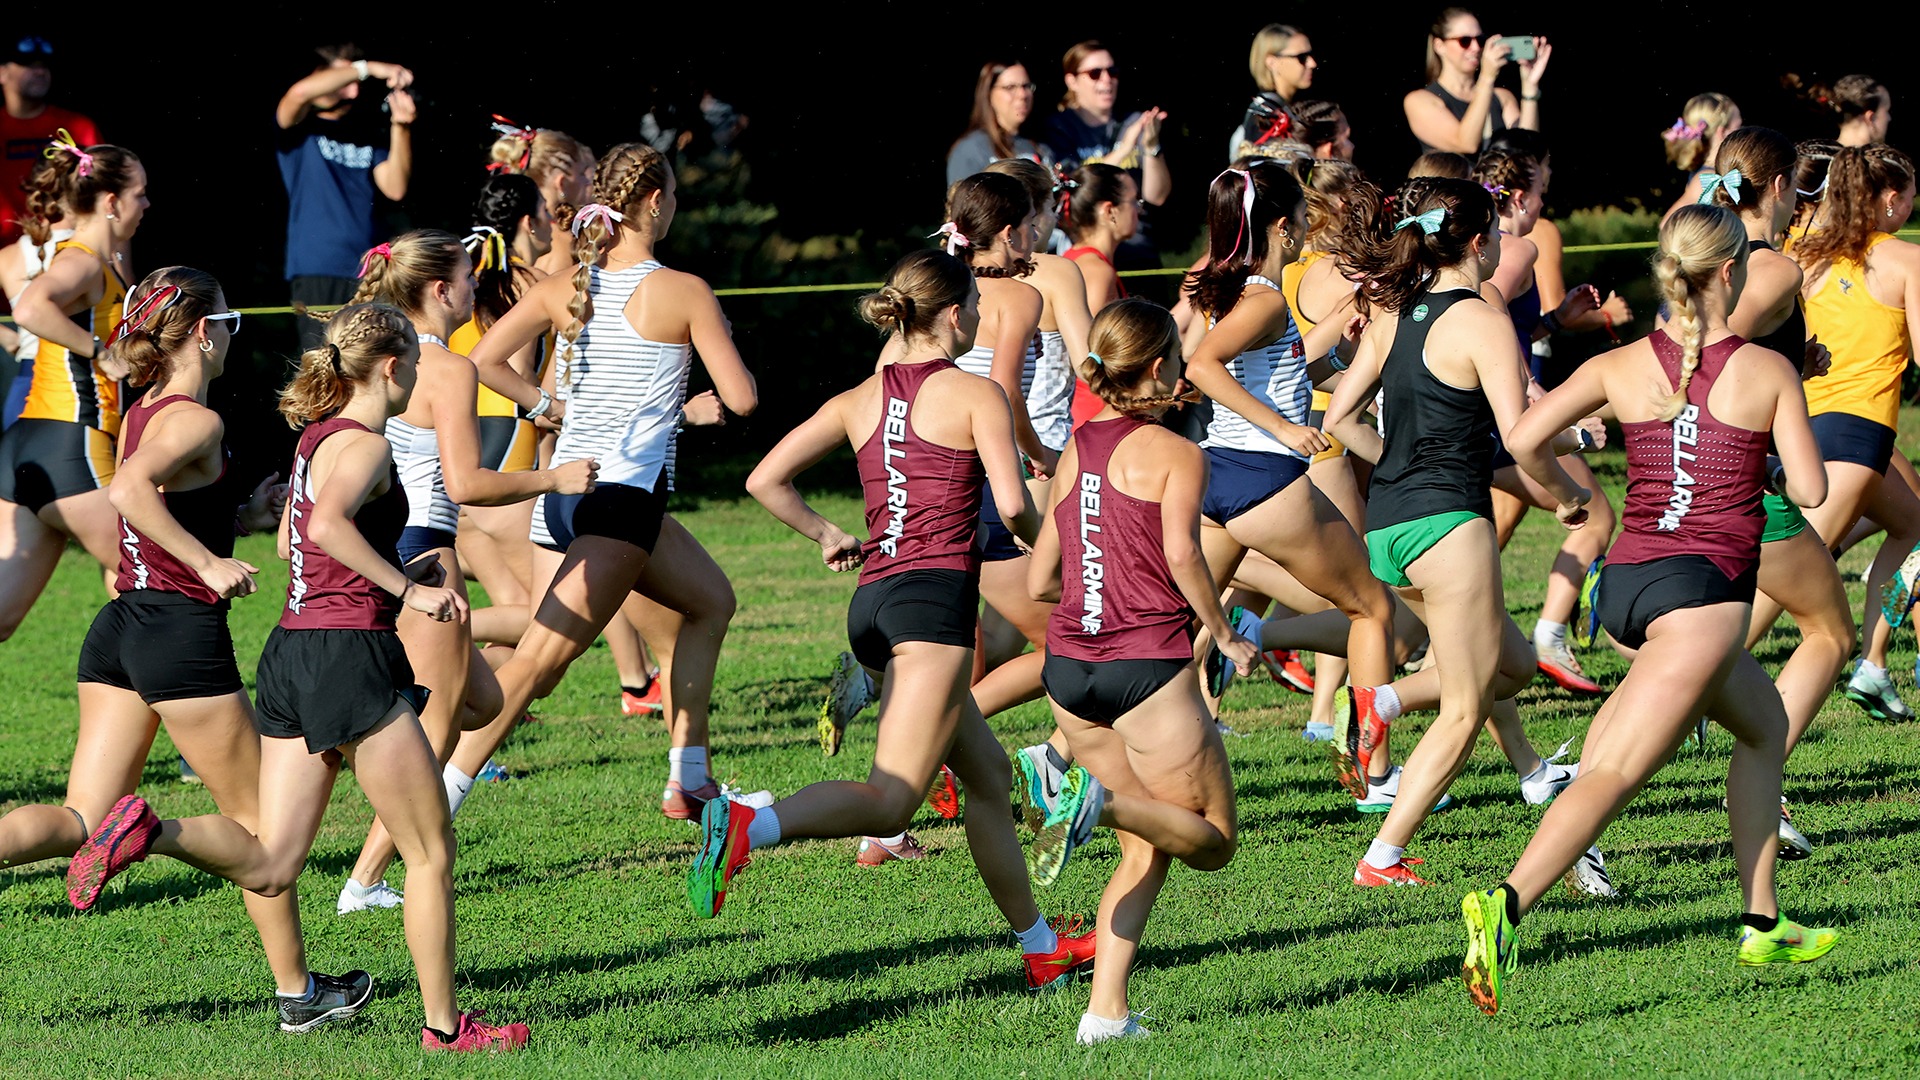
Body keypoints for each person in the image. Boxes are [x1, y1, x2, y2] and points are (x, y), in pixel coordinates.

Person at [70, 302, 530, 1051]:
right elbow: (324, 531)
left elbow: (299, 550)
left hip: (289, 653)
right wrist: (409, 590)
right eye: (413, 363)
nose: (419, 376)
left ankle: (153, 829)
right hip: (348, 658)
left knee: (276, 862)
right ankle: (446, 1030)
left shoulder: (314, 440)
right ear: (389, 367)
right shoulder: (366, 447)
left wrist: (391, 580)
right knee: (429, 853)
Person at [1460, 205, 1838, 1016]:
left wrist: (1566, 496)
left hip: (1627, 585)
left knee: (1765, 727)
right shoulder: (1767, 370)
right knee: (1614, 774)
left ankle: (1763, 918)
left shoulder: (1622, 362)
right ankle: (1505, 905)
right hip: (1699, 597)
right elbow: (1811, 491)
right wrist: (1768, 446)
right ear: (1731, 272)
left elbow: (1524, 437)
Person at [699, 249, 1098, 995]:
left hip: (874, 606)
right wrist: (1056, 538)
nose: (980, 314)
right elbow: (1012, 507)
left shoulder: (859, 397)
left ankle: (1042, 948)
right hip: (932, 610)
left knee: (984, 782)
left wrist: (826, 534)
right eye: (974, 303)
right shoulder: (975, 394)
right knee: (892, 798)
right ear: (952, 315)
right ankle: (750, 825)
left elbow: (763, 479)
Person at [0, 266, 367, 1036]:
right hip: (177, 637)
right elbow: (130, 492)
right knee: (263, 835)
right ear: (205, 331)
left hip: (122, 630)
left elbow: (169, 503)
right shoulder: (196, 422)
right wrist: (207, 565)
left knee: (79, 817)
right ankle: (298, 994)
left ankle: (295, 984)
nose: (234, 333)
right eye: (229, 321)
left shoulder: (147, 410)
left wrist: (245, 513)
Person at [464, 142, 764, 821]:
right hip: (619, 502)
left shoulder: (567, 283)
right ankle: (429, 800)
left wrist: (551, 409)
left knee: (712, 600)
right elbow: (742, 399)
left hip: (566, 498)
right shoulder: (683, 290)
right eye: (676, 197)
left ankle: (689, 780)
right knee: (536, 669)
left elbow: (482, 361)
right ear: (654, 203)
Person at [1324, 176, 1591, 885]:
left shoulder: (1391, 314)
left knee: (1513, 664)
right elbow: (1523, 434)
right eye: (1497, 232)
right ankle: (1382, 855)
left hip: (1390, 526)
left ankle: (1380, 701)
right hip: (1448, 524)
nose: (1502, 241)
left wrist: (1403, 465)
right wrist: (1567, 488)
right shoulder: (1479, 318)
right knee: (1467, 707)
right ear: (1478, 242)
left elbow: (1339, 421)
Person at [333, 229, 595, 914]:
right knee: (438, 723)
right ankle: (363, 882)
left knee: (482, 702)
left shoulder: (371, 357)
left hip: (379, 546)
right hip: (425, 550)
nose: (477, 289)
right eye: (468, 279)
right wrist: (554, 477)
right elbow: (468, 483)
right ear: (440, 290)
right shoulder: (444, 368)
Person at [1022, 298, 1254, 1044]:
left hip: (1068, 672)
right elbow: (1185, 555)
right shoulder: (1181, 454)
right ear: (1159, 368)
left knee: (1149, 845)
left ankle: (1104, 1016)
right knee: (1213, 840)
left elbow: (1040, 580)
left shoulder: (1077, 445)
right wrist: (1223, 634)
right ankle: (1093, 802)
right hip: (1146, 670)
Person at [1180, 162, 1397, 797]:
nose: (1309, 224)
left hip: (1217, 479)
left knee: (1172, 636)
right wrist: (1281, 429)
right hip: (1264, 479)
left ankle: (1061, 760)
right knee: (1374, 609)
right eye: (1302, 213)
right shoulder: (1266, 297)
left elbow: (1278, 375)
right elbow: (1202, 366)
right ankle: (1375, 774)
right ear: (1282, 226)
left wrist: (1352, 365)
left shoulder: (1239, 291)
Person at [1704, 126, 1848, 860]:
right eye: (1796, 184)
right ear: (1780, 185)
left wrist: (1796, 361)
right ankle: (1766, 785)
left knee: (1689, 667)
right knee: (1830, 634)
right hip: (1743, 484)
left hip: (1699, 480)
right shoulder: (1772, 267)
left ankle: (1577, 809)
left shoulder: (1708, 244)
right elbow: (1709, 345)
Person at [1472, 144, 1614, 694]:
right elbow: (1487, 313)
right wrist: (1534, 391)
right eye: (1540, 195)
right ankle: (1551, 637)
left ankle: (1409, 659)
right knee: (1595, 517)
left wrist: (1553, 320)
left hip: (1478, 418)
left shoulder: (1485, 248)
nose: (1542, 207)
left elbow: (1500, 324)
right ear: (1516, 197)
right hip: (1504, 416)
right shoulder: (1517, 249)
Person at [1788, 144, 1920, 720]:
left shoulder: (1805, 254)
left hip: (1801, 429)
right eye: (1912, 197)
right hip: (1855, 440)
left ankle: (1872, 665)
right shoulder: (1905, 260)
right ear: (1890, 200)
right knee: (1785, 582)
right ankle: (1695, 682)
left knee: (1914, 526)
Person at [0, 137, 145, 641]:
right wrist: (99, 351)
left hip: (28, 443)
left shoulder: (101, 262)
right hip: (71, 443)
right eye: (140, 194)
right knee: (165, 580)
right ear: (111, 202)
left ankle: (131, 689)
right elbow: (29, 308)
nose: (146, 205)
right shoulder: (82, 259)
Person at [276, 44, 416, 351]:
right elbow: (299, 94)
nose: (353, 90)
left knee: (365, 365)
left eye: (356, 83)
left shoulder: (364, 132)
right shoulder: (298, 127)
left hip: (369, 269)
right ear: (320, 74)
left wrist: (400, 126)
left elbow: (394, 187)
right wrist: (370, 68)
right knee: (322, 365)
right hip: (317, 266)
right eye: (344, 76)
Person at [1045, 41, 1168, 269]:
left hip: (1138, 246)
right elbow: (1075, 185)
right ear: (1071, 81)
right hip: (1089, 251)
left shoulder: (1132, 120)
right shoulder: (1059, 128)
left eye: (1112, 71)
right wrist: (1124, 149)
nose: (1106, 80)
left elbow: (1157, 196)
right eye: (1094, 73)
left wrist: (1151, 147)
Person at [1405, 8, 1547, 155]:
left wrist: (1530, 86)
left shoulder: (1502, 97)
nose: (1476, 48)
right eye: (1464, 41)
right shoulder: (1420, 101)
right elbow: (1466, 143)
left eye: (1480, 40)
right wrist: (1487, 77)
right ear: (1439, 46)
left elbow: (1528, 150)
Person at [0, 33, 97, 245]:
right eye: (28, 64)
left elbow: (100, 191)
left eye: (45, 65)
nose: (40, 71)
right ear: (2, 73)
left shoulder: (78, 127)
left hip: (65, 247)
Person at [485, 117, 594, 278]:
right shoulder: (560, 243)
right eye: (581, 174)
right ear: (561, 184)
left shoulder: (506, 234)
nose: (587, 181)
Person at [947, 61, 1050, 186]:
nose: (1022, 95)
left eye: (1026, 86)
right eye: (1010, 87)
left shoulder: (1041, 145)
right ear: (988, 93)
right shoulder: (971, 149)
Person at [1228, 25, 1318, 162]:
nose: (1312, 63)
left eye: (1311, 55)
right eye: (1302, 57)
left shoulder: (1277, 108)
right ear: (1272, 62)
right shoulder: (1264, 115)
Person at [1662, 93, 1741, 220]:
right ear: (1722, 132)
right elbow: (1668, 222)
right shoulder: (1706, 180)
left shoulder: (1716, 175)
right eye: (1738, 128)